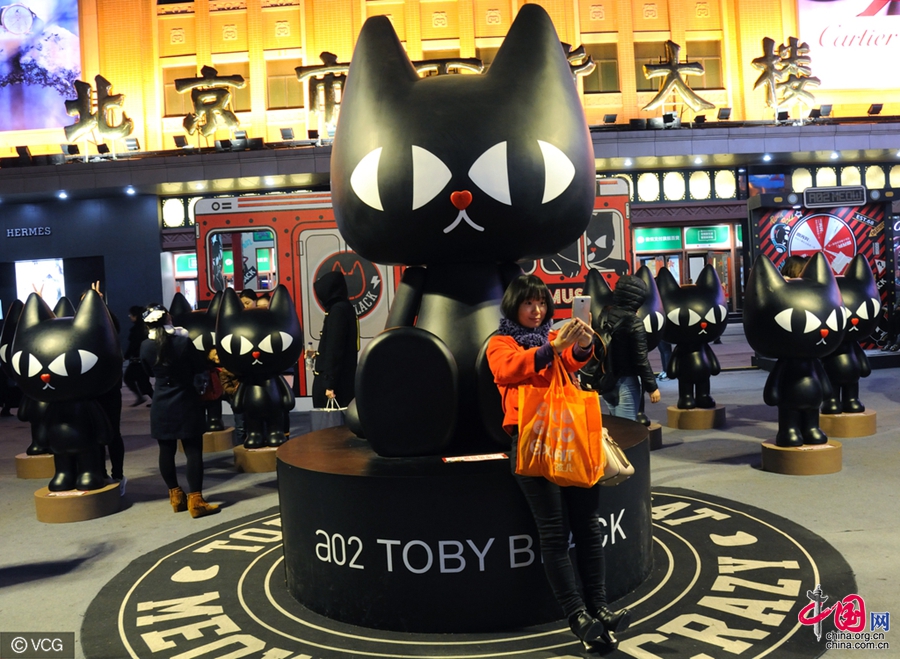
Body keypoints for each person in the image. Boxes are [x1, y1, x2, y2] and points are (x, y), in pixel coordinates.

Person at [486, 274, 630, 652]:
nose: (537, 310)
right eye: (528, 303)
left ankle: (600, 608)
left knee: (588, 527)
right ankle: (577, 614)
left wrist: (581, 344)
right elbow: (507, 370)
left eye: (542, 303)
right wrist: (554, 348)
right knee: (553, 533)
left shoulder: (554, 336)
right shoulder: (500, 342)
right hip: (533, 441)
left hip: (571, 437)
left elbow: (574, 362)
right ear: (514, 306)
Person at [140, 304, 219, 518]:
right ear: (168, 317)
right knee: (193, 452)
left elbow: (148, 372)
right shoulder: (183, 341)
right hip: (186, 400)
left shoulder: (145, 346)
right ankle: (197, 501)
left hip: (161, 403)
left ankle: (176, 497)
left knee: (166, 451)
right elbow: (199, 366)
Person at [600, 275, 661, 421]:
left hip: (606, 381)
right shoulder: (634, 323)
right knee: (626, 428)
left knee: (616, 426)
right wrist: (652, 387)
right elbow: (641, 359)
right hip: (626, 382)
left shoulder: (605, 314)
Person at [307, 271, 359, 408]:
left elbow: (335, 349)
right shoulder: (344, 307)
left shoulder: (337, 311)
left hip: (335, 385)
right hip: (342, 381)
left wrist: (329, 384)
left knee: (329, 420)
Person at [123, 305, 153, 406]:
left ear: (135, 316)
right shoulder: (145, 328)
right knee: (143, 382)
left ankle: (143, 397)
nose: (130, 317)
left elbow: (133, 345)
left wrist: (126, 356)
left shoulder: (136, 330)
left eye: (131, 315)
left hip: (138, 361)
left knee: (130, 378)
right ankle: (149, 399)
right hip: (143, 359)